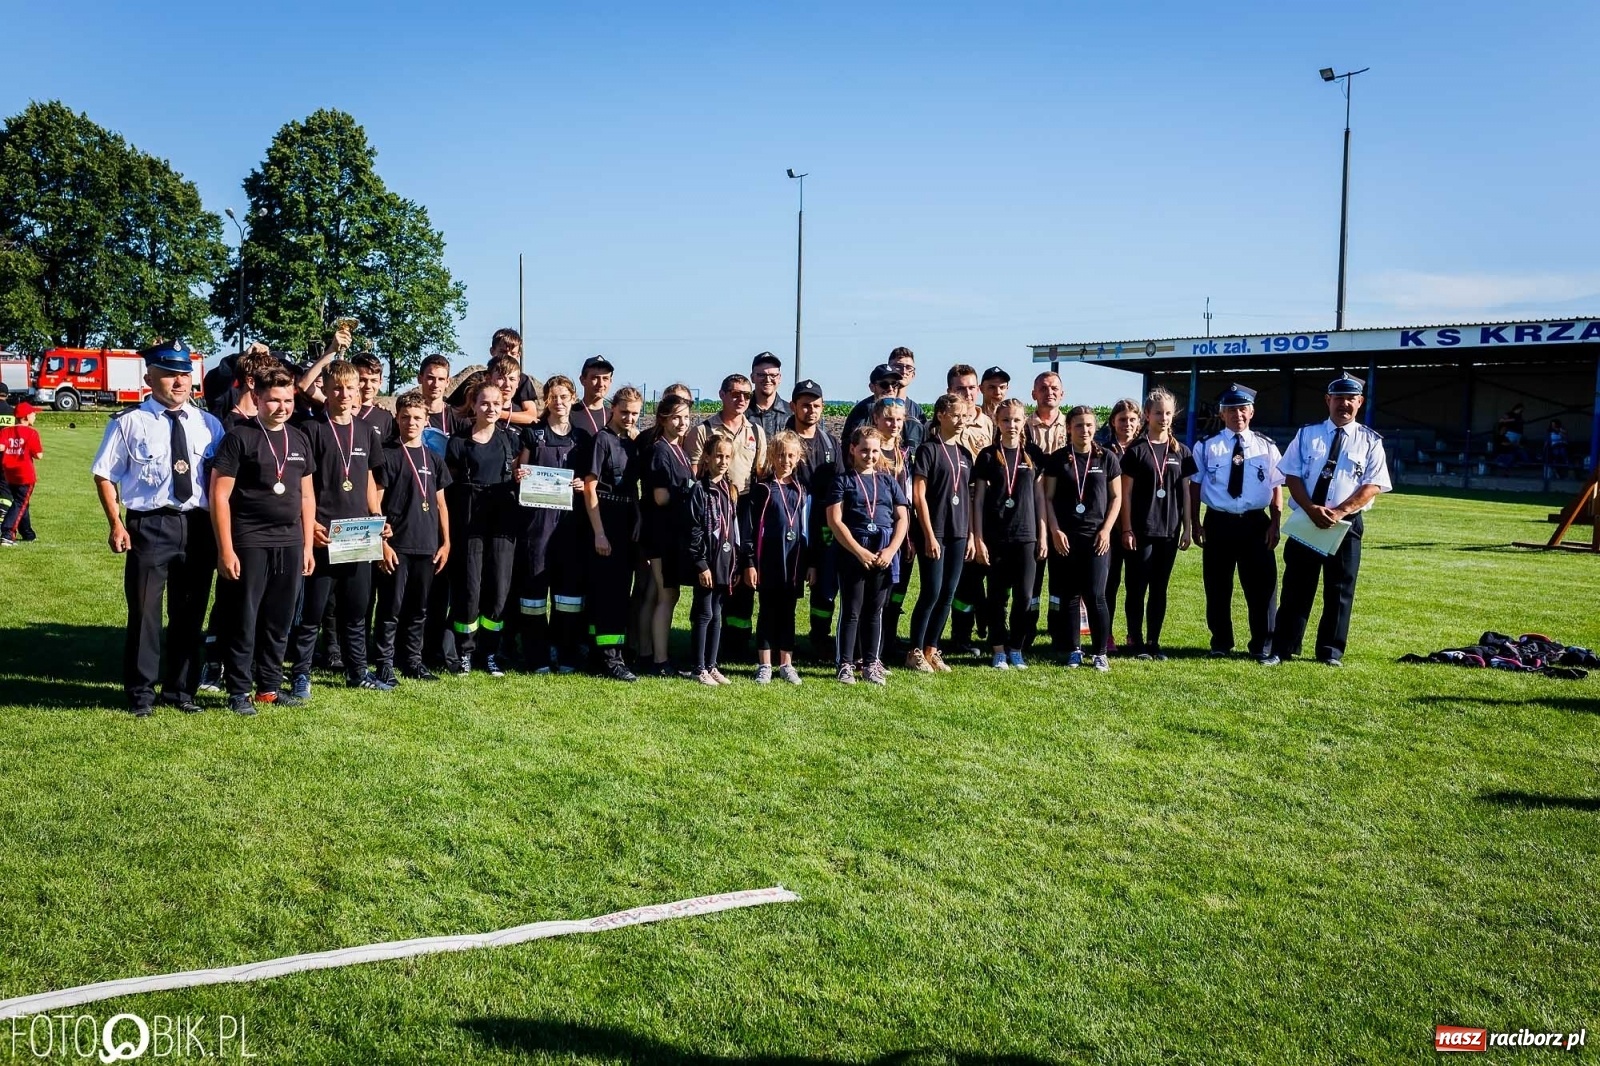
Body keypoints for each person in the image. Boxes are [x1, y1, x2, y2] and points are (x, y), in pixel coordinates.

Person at [91, 341, 224, 717]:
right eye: (169, 374)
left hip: (197, 527)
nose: (178, 382)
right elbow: (104, 475)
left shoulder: (207, 424)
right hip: (150, 526)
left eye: (184, 374)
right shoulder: (128, 421)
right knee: (146, 614)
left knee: (190, 612)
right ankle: (141, 695)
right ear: (150, 377)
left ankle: (181, 691)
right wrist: (116, 523)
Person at [209, 365, 316, 715]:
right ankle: (238, 690)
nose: (281, 407)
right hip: (249, 540)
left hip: (289, 541)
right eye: (273, 400)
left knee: (278, 619)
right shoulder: (240, 437)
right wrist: (226, 549)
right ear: (257, 398)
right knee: (244, 618)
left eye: (287, 400)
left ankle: (268, 687)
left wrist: (307, 546)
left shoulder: (299, 438)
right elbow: (219, 495)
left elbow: (305, 496)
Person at [283, 360, 390, 697]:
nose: (344, 394)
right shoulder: (311, 431)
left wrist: (378, 517)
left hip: (358, 533)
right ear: (325, 392)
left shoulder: (366, 432)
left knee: (356, 610)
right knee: (313, 612)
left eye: (350, 388)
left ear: (359, 390)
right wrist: (309, 523)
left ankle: (358, 672)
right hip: (323, 533)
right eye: (338, 388)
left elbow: (371, 479)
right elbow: (303, 484)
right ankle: (301, 674)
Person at [1274, 373, 1392, 666]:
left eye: (1351, 398)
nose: (1344, 404)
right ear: (1328, 400)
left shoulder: (1370, 441)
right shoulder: (1306, 435)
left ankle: (1330, 652)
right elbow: (1292, 475)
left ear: (1360, 402)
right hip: (1307, 520)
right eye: (1338, 398)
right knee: (1296, 588)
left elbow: (1373, 484)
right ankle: (1283, 648)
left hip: (1346, 524)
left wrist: (1339, 512)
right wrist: (1312, 508)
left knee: (1340, 591)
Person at [1188, 383, 1284, 664]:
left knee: (1262, 587)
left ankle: (1262, 644)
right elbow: (1194, 486)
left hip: (1256, 524)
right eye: (1231, 409)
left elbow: (1277, 486)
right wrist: (1195, 522)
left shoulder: (1266, 447)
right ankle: (1220, 641)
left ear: (1251, 412)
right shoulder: (1206, 446)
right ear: (1222, 414)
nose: (1237, 414)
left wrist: (1275, 522)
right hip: (1218, 522)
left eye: (1242, 409)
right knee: (1217, 586)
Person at [442, 381, 524, 676]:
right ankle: (465, 651)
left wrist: (521, 476)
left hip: (502, 524)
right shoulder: (458, 442)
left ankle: (490, 652)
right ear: (474, 405)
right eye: (484, 403)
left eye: (496, 403)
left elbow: (518, 475)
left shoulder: (511, 440)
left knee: (499, 590)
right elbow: (447, 487)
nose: (491, 409)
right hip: (469, 525)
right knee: (469, 589)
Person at [372, 390, 452, 684]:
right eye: (405, 417)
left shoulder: (434, 459)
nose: (411, 422)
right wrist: (381, 542)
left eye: (417, 418)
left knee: (419, 609)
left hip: (427, 544)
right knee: (391, 607)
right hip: (398, 545)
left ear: (426, 420)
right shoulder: (388, 455)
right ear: (397, 418)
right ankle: (383, 662)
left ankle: (413, 661)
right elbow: (375, 503)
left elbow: (441, 503)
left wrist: (446, 542)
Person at [686, 373, 767, 656]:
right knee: (709, 578)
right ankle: (701, 650)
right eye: (735, 394)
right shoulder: (703, 430)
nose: (741, 399)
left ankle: (736, 643)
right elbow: (694, 474)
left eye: (746, 395)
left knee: (741, 573)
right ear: (722, 394)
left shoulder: (756, 431)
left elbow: (760, 472)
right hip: (710, 505)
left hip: (741, 506)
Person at [513, 375, 587, 673]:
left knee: (568, 596)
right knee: (533, 596)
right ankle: (537, 656)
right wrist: (519, 475)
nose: (558, 402)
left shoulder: (582, 439)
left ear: (572, 399)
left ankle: (566, 653)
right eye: (553, 397)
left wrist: (582, 483)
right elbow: (521, 467)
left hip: (569, 525)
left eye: (564, 397)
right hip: (537, 524)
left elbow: (590, 477)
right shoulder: (534, 434)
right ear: (546, 400)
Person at [827, 426, 910, 684]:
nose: (870, 456)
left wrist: (891, 549)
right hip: (854, 549)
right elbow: (835, 520)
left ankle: (871, 662)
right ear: (853, 449)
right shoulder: (843, 481)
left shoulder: (887, 481)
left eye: (874, 451)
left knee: (875, 610)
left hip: (884, 550)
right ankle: (845, 664)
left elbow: (902, 518)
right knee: (852, 610)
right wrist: (859, 551)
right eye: (864, 450)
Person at [1042, 406, 1123, 671]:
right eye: (1078, 425)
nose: (1085, 430)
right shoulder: (1058, 459)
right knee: (1070, 596)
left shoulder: (1107, 458)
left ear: (1095, 427)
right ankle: (1075, 649)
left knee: (1096, 595)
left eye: (1089, 425)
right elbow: (1048, 498)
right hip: (1065, 537)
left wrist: (1106, 530)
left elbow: (1116, 498)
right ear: (1069, 428)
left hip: (1096, 537)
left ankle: (1100, 652)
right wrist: (1055, 530)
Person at [1118, 388, 1194, 660]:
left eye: (1168, 413)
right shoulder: (1135, 451)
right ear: (1147, 415)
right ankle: (1134, 640)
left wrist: (1187, 527)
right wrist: (1126, 528)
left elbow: (1185, 491)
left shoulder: (1182, 451)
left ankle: (1153, 641)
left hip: (1169, 530)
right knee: (1137, 587)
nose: (1164, 418)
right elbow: (1125, 494)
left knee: (1159, 588)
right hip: (1140, 530)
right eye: (1158, 413)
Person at [972, 398, 1047, 669]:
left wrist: (1044, 535)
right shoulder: (988, 456)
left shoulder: (1034, 454)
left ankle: (1016, 647)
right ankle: (998, 649)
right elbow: (978, 500)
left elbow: (1040, 499)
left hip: (1027, 536)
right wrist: (978, 538)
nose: (1011, 425)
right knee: (997, 597)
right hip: (996, 536)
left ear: (1023, 420)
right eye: (1006, 420)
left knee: (1025, 596)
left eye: (1016, 420)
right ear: (997, 422)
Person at [906, 393, 976, 673]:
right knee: (931, 592)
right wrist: (929, 534)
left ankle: (931, 650)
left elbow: (967, 497)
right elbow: (919, 495)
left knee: (948, 593)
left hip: (958, 532)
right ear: (940, 415)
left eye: (964, 416)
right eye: (956, 415)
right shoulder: (928, 450)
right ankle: (914, 651)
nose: (961, 421)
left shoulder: (965, 454)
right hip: (934, 532)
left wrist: (970, 534)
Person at [578, 387, 644, 682]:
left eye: (634, 413)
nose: (629, 417)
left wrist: (638, 520)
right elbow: (590, 487)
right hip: (605, 519)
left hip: (627, 520)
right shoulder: (601, 440)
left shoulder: (633, 443)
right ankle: (611, 659)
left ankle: (600, 652)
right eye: (624, 412)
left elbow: (633, 488)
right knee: (609, 595)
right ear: (612, 410)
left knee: (619, 592)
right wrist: (599, 533)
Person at [744, 432, 809, 684]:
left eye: (791, 455)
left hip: (793, 563)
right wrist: (750, 562)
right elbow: (750, 529)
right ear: (772, 456)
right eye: (781, 455)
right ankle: (764, 664)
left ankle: (786, 664)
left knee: (788, 613)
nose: (786, 460)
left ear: (798, 457)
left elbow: (806, 529)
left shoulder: (801, 490)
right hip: (768, 561)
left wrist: (810, 563)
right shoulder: (762, 489)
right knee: (767, 612)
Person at [641, 393, 697, 678]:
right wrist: (690, 495)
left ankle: (646, 651)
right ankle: (659, 661)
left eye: (686, 418)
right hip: (660, 533)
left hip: (672, 533)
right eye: (676, 417)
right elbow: (661, 496)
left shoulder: (680, 450)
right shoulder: (660, 450)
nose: (682, 423)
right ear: (663, 418)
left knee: (655, 593)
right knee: (667, 594)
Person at [785, 379, 840, 656]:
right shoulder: (783, 440)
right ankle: (784, 641)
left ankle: (820, 637)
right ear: (793, 406)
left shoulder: (831, 443)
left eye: (816, 405)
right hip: (791, 519)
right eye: (805, 405)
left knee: (824, 584)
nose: (811, 410)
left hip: (823, 522)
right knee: (789, 582)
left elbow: (840, 484)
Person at [687, 432, 739, 685]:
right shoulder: (700, 490)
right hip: (706, 563)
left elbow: (733, 528)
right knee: (704, 613)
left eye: (727, 456)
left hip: (724, 561)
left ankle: (712, 664)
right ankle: (698, 667)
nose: (722, 461)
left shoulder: (730, 490)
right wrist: (701, 564)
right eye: (718, 455)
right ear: (706, 458)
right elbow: (694, 529)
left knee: (717, 614)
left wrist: (735, 561)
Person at [1024, 371, 1068, 650]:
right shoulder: (1022, 425)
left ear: (1062, 394)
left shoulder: (1073, 424)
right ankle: (1026, 628)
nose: (1049, 392)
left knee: (1063, 577)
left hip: (1066, 508)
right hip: (1030, 507)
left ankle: (1060, 630)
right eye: (1043, 388)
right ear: (1034, 394)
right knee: (1033, 575)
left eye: (1054, 388)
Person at [871, 398, 915, 653]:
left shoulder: (904, 454)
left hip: (899, 531)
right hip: (873, 531)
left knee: (894, 593)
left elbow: (906, 498)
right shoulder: (870, 452)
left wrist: (908, 537)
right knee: (872, 597)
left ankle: (886, 645)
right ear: (876, 419)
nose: (894, 424)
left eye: (899, 419)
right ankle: (862, 651)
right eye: (889, 419)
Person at [1100, 398, 1142, 654]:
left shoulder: (1146, 449)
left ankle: (1134, 635)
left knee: (1136, 585)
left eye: (1132, 419)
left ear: (1140, 422)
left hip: (1140, 528)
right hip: (1110, 527)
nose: (1127, 424)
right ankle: (1106, 635)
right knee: (1109, 584)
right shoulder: (1103, 450)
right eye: (1122, 419)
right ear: (1113, 422)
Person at [842, 356, 927, 453]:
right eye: (884, 385)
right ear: (872, 387)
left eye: (894, 384)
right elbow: (851, 443)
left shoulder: (912, 409)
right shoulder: (864, 410)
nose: (890, 388)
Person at [0, 402, 43, 545]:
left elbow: (1, 447)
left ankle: (27, 533)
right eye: (33, 413)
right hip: (25, 474)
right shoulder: (32, 433)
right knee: (20, 503)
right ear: (25, 417)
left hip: (9, 473)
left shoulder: (5, 431)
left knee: (23, 502)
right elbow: (38, 455)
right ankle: (7, 533)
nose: (35, 415)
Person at [948, 365, 996, 458]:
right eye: (961, 388)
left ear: (978, 389)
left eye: (971, 388)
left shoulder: (988, 423)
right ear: (950, 391)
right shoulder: (940, 423)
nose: (968, 393)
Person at [350, 353, 396, 442]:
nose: (368, 386)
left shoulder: (385, 418)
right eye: (362, 380)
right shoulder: (338, 408)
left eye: (373, 380)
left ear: (380, 382)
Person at [748, 352, 791, 440]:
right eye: (762, 375)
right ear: (752, 378)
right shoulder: (741, 412)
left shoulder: (791, 413)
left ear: (779, 378)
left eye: (773, 375)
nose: (767, 380)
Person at [572, 356, 613, 444]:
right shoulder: (569, 414)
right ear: (582, 380)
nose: (601, 384)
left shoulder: (614, 416)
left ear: (610, 381)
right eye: (595, 378)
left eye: (605, 378)